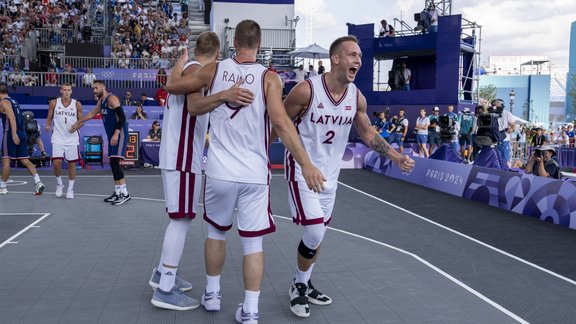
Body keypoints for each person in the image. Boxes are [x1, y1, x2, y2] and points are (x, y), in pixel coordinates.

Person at [166, 19, 325, 323]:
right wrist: (306, 164)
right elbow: (281, 122)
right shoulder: (269, 78)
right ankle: (250, 310)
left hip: (219, 171)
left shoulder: (214, 70)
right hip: (254, 173)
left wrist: (182, 67)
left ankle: (212, 295)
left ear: (234, 43)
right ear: (260, 45)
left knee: (215, 232)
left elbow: (182, 96)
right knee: (253, 243)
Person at [281, 35, 414, 318]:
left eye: (360, 57)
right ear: (336, 58)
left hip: (330, 175)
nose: (358, 61)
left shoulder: (356, 97)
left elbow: (367, 133)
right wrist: (281, 159)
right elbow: (280, 124)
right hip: (302, 170)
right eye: (353, 55)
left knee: (319, 235)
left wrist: (396, 156)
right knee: (315, 230)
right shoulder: (306, 91)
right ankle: (298, 287)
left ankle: (302, 282)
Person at [148, 32, 227, 312]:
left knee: (180, 218)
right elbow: (194, 108)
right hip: (182, 158)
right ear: (218, 53)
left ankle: (162, 273)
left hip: (177, 156)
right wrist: (224, 95)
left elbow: (172, 86)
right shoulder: (195, 72)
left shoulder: (185, 69)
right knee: (181, 220)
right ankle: (165, 288)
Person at [70, 81, 131, 206]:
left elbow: (122, 117)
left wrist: (116, 133)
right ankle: (117, 192)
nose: (94, 90)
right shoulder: (101, 102)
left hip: (119, 134)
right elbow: (92, 113)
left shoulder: (112, 99)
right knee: (113, 164)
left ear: (103, 88)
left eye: (96, 88)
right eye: (93, 88)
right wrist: (78, 122)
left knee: (115, 163)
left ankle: (125, 194)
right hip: (112, 135)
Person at [0, 84, 45, 195]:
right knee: (24, 160)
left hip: (11, 133)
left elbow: (12, 118)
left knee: (6, 160)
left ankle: (2, 187)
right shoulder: (14, 102)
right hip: (22, 132)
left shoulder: (4, 102)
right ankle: (38, 182)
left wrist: (14, 134)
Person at [45, 83, 83, 199]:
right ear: (61, 90)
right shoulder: (54, 103)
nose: (67, 92)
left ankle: (70, 189)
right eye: (64, 90)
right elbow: (49, 117)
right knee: (57, 162)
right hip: (58, 137)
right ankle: (59, 184)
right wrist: (47, 125)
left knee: (72, 164)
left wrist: (76, 126)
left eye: (69, 90)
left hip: (72, 138)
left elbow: (81, 121)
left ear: (71, 91)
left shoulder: (76, 104)